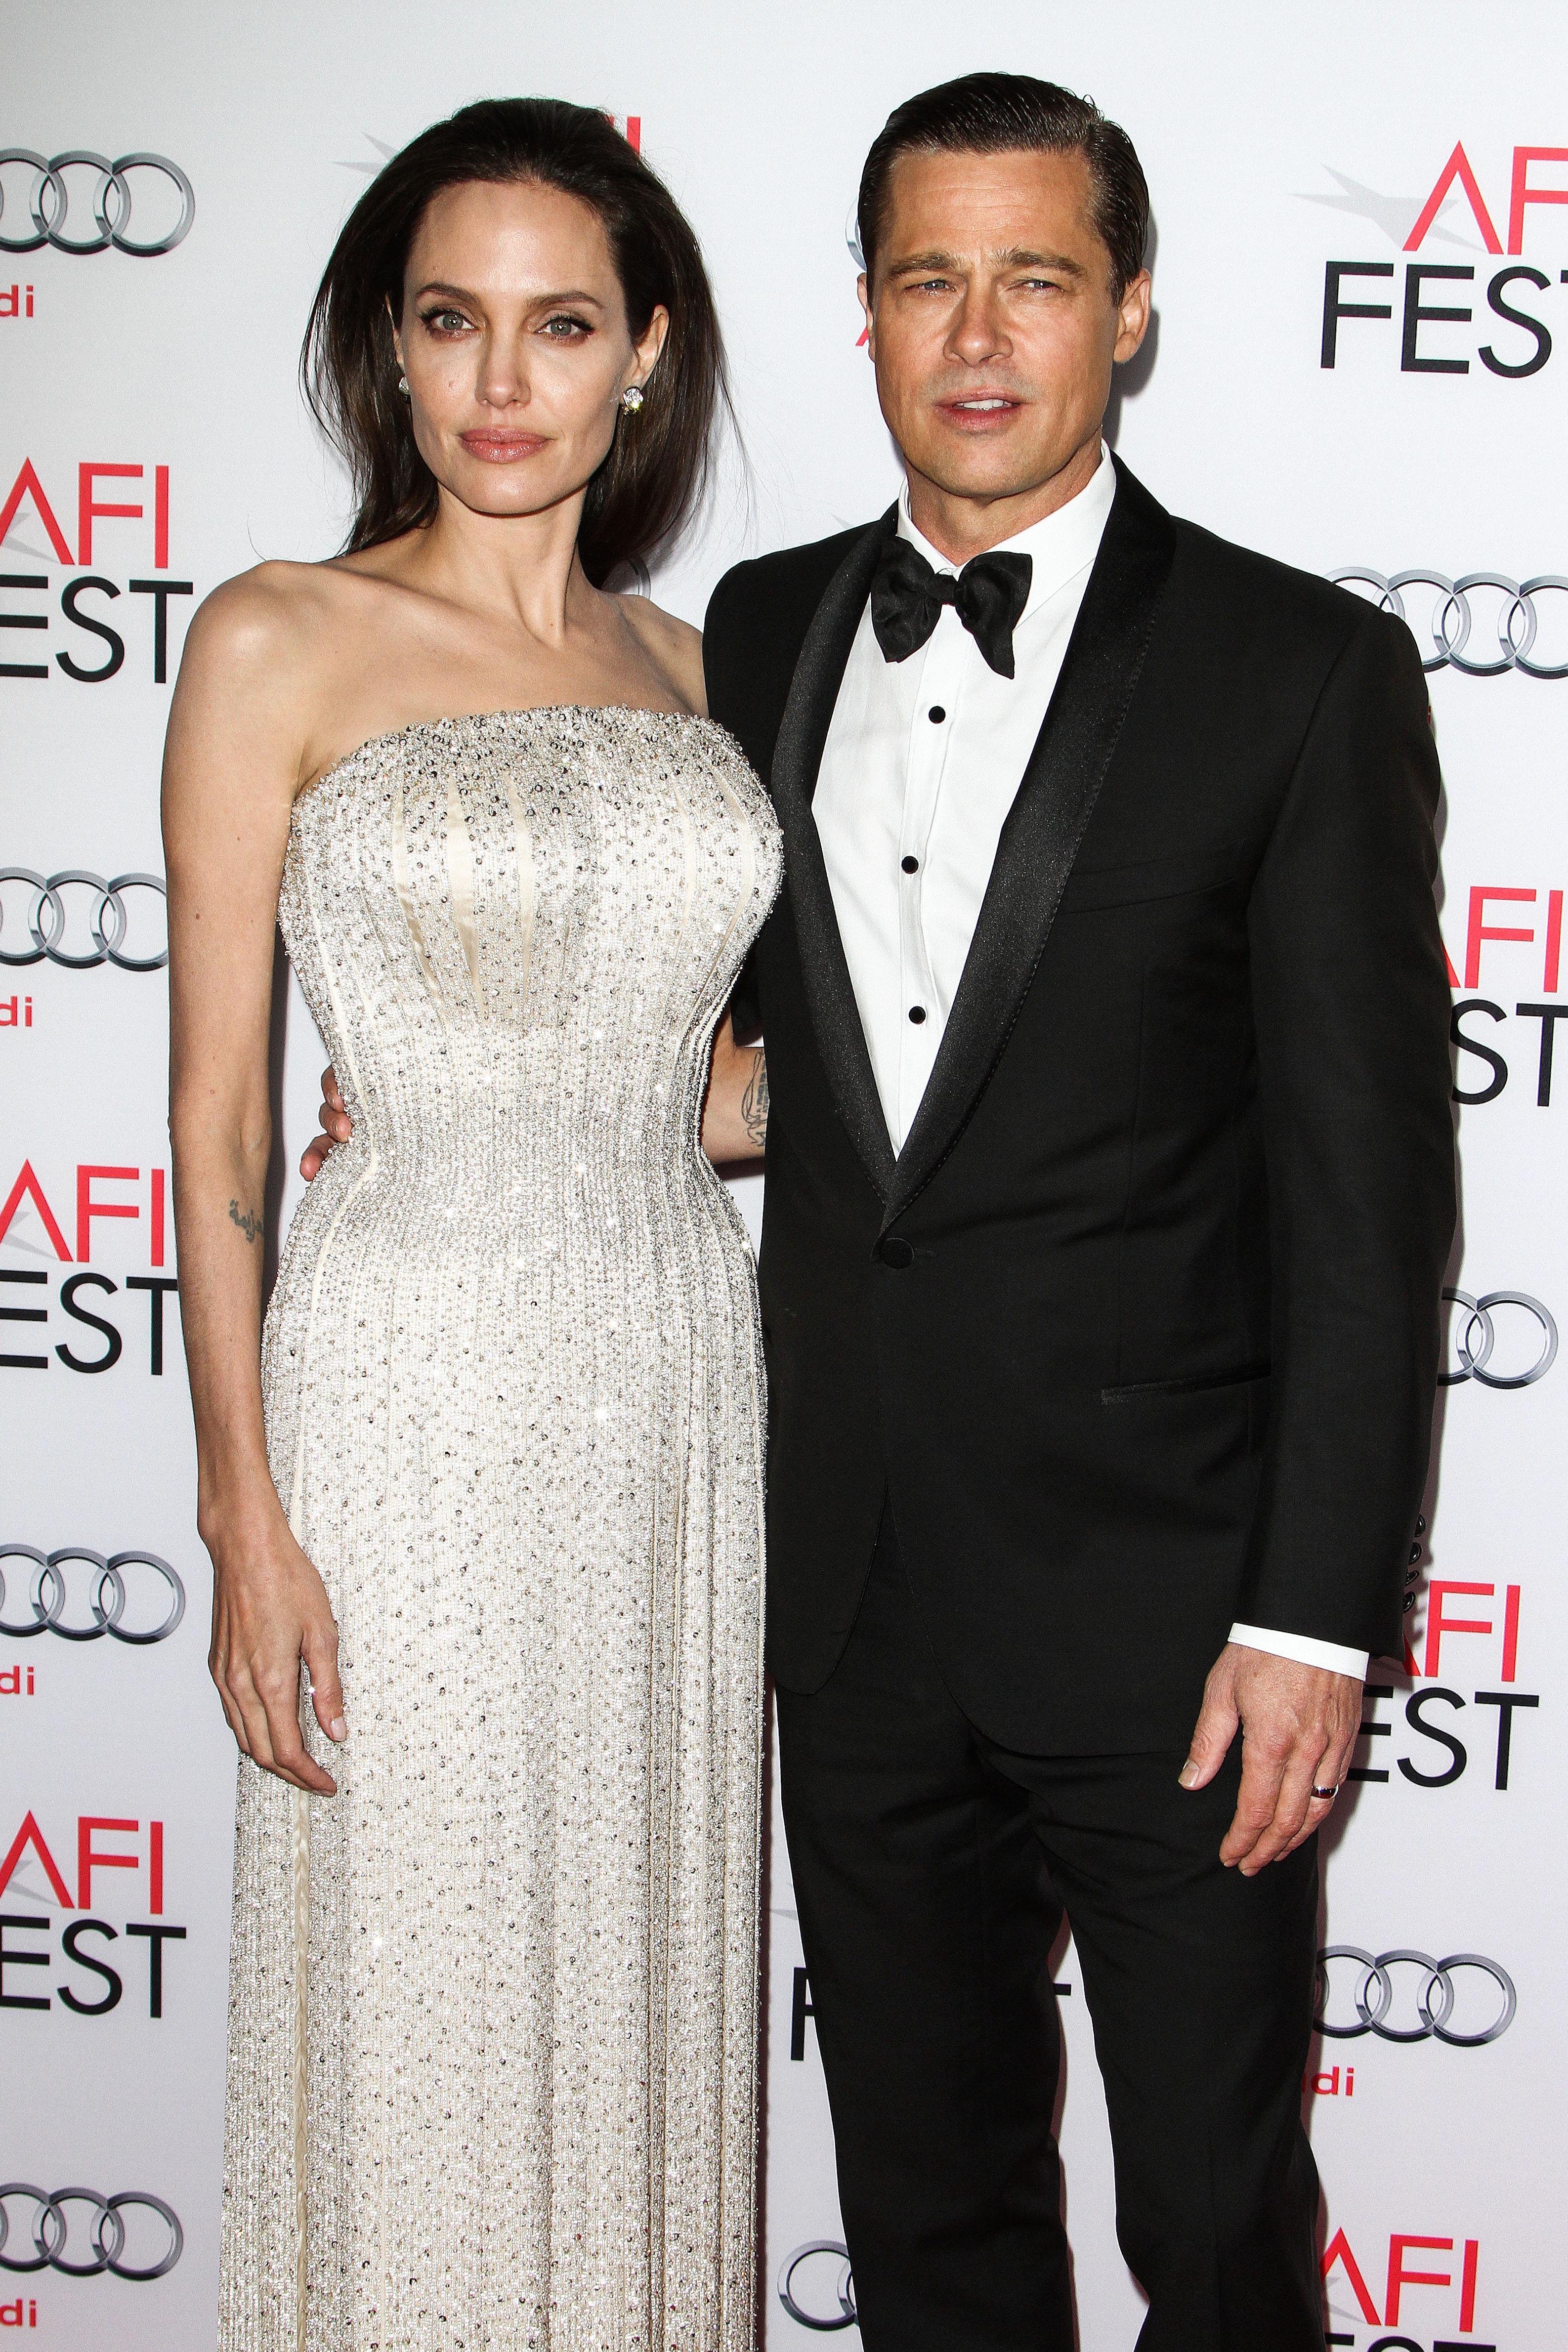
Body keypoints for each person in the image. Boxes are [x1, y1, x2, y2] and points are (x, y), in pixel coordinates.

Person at [307, 71, 1456, 2352]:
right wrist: (490, 1092)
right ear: (861, 312)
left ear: (1125, 311)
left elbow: (1367, 1196)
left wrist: (1312, 1617)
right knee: (929, 2225)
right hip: (834, 1594)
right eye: (925, 275)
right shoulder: (752, 631)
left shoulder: (1299, 669)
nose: (976, 332)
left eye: (1033, 276)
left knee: (1217, 2228)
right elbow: (754, 1067)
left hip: (1176, 1623)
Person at [164, 98, 778, 2352]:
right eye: (450, 322)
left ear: (643, 357)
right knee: (422, 1955)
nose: (500, 380)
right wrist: (242, 1502)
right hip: (400, 1383)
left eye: (557, 324)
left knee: (634, 1949)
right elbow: (222, 1118)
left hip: (667, 1391)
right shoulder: (276, 640)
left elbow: (708, 1089)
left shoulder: (707, 674)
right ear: (389, 357)